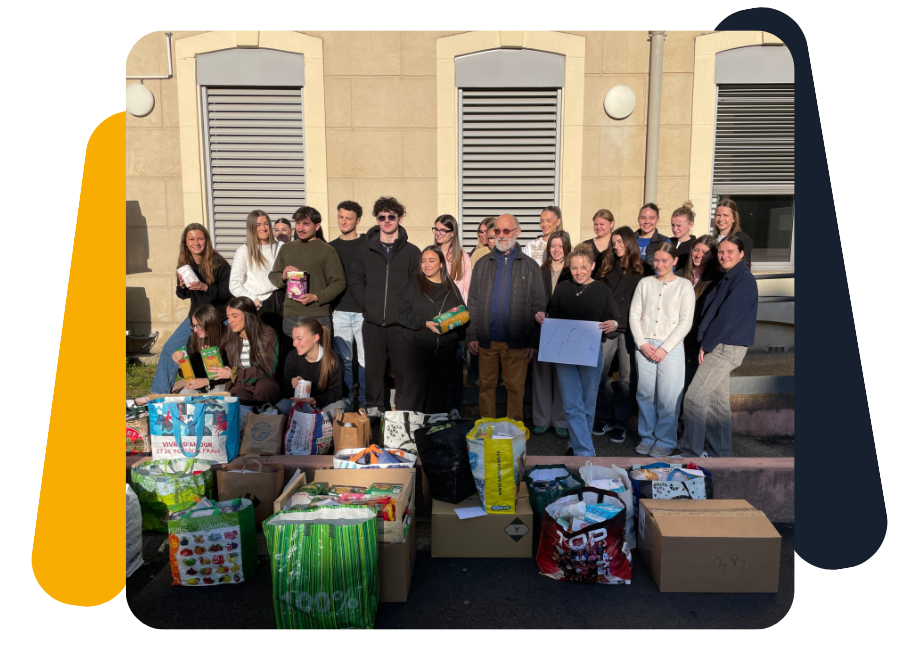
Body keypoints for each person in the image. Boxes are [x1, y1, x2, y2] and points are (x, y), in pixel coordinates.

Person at [677, 235, 758, 458]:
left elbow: (728, 318)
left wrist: (707, 344)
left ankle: (690, 452)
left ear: (742, 254)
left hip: (724, 346)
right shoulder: (729, 277)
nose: (724, 256)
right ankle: (720, 454)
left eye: (730, 251)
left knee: (694, 398)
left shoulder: (742, 279)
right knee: (717, 402)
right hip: (723, 345)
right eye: (721, 252)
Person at [537, 243, 619, 457]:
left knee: (587, 402)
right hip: (564, 354)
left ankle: (577, 445)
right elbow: (552, 314)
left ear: (592, 266)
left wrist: (613, 325)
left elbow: (614, 319)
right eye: (574, 268)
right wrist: (543, 317)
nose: (579, 272)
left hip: (591, 353)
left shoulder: (602, 290)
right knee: (572, 401)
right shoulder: (563, 287)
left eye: (583, 267)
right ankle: (585, 451)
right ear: (569, 268)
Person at [467, 213, 545, 422]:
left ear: (517, 232)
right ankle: (487, 428)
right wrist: (472, 334)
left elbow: (539, 306)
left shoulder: (530, 267)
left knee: (516, 388)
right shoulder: (482, 264)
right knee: (486, 386)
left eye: (506, 231)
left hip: (517, 341)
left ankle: (515, 430)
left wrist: (533, 341)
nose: (501, 235)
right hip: (486, 338)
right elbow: (472, 301)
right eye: (497, 231)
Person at [349, 196, 421, 419]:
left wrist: (405, 311)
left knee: (403, 371)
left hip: (401, 324)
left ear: (399, 218)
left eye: (392, 216)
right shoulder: (365, 250)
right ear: (377, 219)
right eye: (382, 217)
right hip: (372, 322)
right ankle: (374, 411)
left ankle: (402, 413)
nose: (387, 220)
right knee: (373, 371)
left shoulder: (411, 252)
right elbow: (355, 279)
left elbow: (418, 285)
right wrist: (366, 305)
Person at [629, 242, 695, 458]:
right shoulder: (645, 283)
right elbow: (634, 315)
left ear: (675, 261)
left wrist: (665, 348)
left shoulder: (684, 286)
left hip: (671, 347)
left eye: (664, 260)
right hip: (646, 344)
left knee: (668, 396)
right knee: (646, 394)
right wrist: (642, 343)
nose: (659, 264)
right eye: (656, 260)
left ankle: (665, 440)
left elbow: (685, 322)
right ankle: (647, 436)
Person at [150, 223, 232, 394]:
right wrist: (181, 286)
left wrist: (205, 288)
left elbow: (229, 292)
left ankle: (219, 389)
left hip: (217, 317)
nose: (196, 243)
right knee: (170, 350)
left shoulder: (220, 264)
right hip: (195, 318)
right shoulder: (185, 265)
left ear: (207, 241)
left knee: (218, 353)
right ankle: (158, 396)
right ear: (185, 243)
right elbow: (183, 295)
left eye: (200, 238)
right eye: (192, 239)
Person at [594, 226, 651, 441]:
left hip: (629, 331)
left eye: (620, 242)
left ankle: (621, 423)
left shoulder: (644, 270)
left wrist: (619, 321)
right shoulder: (606, 266)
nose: (616, 246)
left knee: (627, 381)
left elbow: (644, 306)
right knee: (598, 376)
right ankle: (603, 418)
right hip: (607, 329)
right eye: (614, 243)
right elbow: (598, 296)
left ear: (629, 243)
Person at [397, 246, 467, 414]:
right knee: (413, 396)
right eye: (423, 261)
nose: (426, 265)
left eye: (431, 260)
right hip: (417, 348)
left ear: (441, 264)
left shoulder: (450, 287)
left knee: (438, 398)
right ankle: (408, 434)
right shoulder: (413, 283)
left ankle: (432, 435)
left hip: (444, 350)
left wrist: (455, 325)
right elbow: (401, 314)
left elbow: (462, 313)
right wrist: (424, 323)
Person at [268, 205, 346, 337]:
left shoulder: (327, 251)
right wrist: (283, 276)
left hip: (318, 314)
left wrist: (316, 297)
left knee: (319, 356)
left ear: (316, 226)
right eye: (298, 223)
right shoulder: (287, 249)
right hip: (291, 315)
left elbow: (339, 283)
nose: (300, 228)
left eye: (306, 224)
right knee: (294, 356)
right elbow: (273, 276)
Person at [432, 214, 473, 419]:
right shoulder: (430, 255)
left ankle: (455, 407)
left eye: (443, 230)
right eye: (436, 229)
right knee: (435, 366)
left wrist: (462, 317)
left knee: (456, 366)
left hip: (455, 320)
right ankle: (436, 408)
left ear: (452, 233)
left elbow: (466, 290)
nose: (439, 234)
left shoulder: (462, 257)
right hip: (434, 319)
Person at [532, 230, 572, 438]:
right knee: (542, 375)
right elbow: (533, 298)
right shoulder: (540, 271)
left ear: (567, 247)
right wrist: (536, 312)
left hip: (565, 330)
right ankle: (541, 419)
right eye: (553, 246)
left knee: (562, 376)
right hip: (543, 328)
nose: (556, 250)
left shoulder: (573, 271)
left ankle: (560, 420)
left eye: (560, 246)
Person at [330, 200, 367, 412]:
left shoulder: (366, 246)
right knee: (344, 361)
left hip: (362, 312)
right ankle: (346, 403)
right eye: (340, 217)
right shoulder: (331, 247)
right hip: (340, 312)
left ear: (358, 220)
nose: (343, 221)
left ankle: (363, 403)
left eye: (348, 218)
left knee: (364, 361)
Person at [676, 235, 723, 390]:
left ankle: (683, 413)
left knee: (689, 380)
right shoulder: (680, 273)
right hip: (675, 334)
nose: (698, 255)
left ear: (713, 255)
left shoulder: (715, 279)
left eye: (705, 252)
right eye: (696, 250)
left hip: (695, 338)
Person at [276, 318, 347, 417]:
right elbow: (287, 393)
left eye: (299, 339)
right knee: (279, 408)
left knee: (339, 408)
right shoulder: (292, 357)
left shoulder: (333, 359)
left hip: (324, 404)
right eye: (293, 339)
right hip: (299, 404)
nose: (294, 344)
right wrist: (295, 386)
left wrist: (315, 401)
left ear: (315, 338)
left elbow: (336, 393)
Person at [216, 297, 280, 405]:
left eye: (235, 316)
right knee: (236, 395)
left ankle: (266, 418)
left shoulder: (268, 336)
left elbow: (269, 369)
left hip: (263, 383)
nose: (230, 321)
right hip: (241, 385)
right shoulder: (228, 339)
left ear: (248, 315)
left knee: (264, 387)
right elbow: (222, 369)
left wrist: (235, 374)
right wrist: (210, 359)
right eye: (228, 317)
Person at [230, 210, 282, 312]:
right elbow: (234, 284)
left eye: (266, 224)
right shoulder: (244, 251)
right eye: (258, 225)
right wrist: (253, 300)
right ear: (251, 228)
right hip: (261, 305)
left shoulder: (281, 246)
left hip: (282, 300)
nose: (263, 228)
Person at [170, 304, 229, 394]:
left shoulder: (228, 339)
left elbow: (231, 372)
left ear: (210, 323)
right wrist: (182, 364)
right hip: (200, 386)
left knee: (216, 393)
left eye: (199, 325)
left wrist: (207, 381)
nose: (195, 330)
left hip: (222, 384)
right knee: (185, 394)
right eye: (193, 325)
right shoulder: (193, 339)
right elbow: (190, 375)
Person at [712, 198, 753, 266]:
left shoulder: (743, 239)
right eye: (718, 215)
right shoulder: (712, 240)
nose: (721, 219)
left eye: (726, 215)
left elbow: (745, 266)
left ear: (734, 218)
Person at [581, 209, 614, 279]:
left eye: (602, 224)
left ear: (612, 224)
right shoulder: (586, 245)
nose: (598, 227)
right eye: (595, 224)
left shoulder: (618, 244)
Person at [670, 202, 697, 272]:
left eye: (679, 226)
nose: (675, 229)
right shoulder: (667, 242)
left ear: (690, 224)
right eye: (673, 225)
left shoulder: (695, 246)